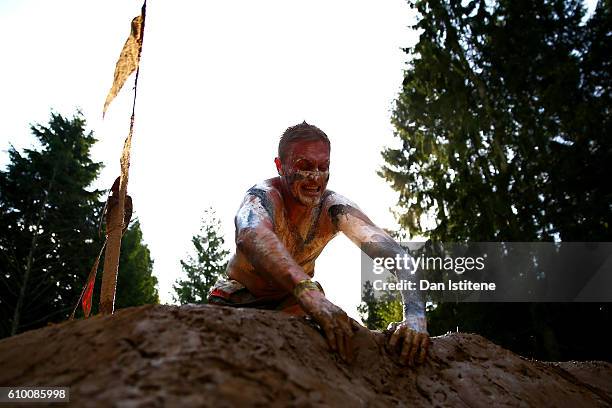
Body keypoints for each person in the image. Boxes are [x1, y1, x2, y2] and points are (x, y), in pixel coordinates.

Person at [208, 122, 429, 366]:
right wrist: (308, 292)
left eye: (323, 167)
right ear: (280, 166)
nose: (315, 178)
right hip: (239, 300)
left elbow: (399, 257)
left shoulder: (335, 208)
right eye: (304, 167)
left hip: (294, 306)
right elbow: (251, 234)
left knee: (353, 344)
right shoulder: (263, 196)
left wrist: (415, 317)